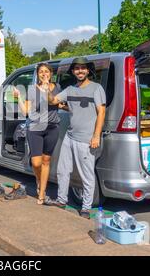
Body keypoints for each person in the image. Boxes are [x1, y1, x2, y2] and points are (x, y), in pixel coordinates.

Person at [46, 57, 106, 219]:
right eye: (77, 68)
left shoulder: (96, 88)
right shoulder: (70, 89)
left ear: (88, 71)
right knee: (62, 170)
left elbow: (101, 112)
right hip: (70, 136)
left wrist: (96, 136)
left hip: (86, 139)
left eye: (83, 68)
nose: (80, 71)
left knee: (86, 175)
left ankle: (86, 208)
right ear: (73, 71)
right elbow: (53, 100)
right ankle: (61, 200)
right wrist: (46, 86)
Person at [13, 63, 67, 205]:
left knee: (46, 161)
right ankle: (38, 179)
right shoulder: (32, 89)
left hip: (52, 127)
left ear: (51, 73)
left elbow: (58, 102)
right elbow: (25, 111)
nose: (44, 74)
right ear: (38, 74)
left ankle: (42, 193)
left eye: (46, 72)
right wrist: (18, 97)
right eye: (41, 72)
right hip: (35, 128)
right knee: (36, 162)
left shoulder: (57, 87)